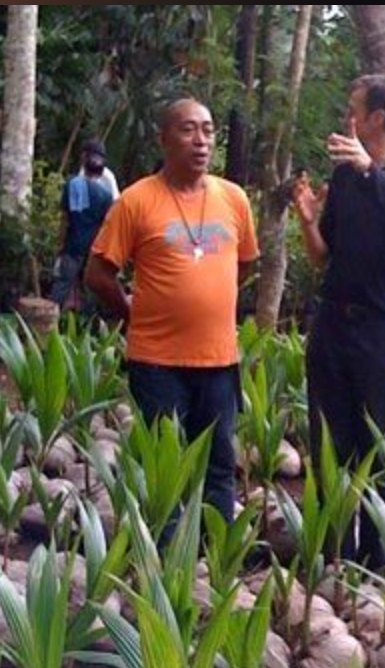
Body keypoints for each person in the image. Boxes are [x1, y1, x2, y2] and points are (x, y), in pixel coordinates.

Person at [293, 74, 385, 568]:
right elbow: (324, 257)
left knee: (377, 451)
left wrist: (370, 169)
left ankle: (374, 564)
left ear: (376, 118)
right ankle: (331, 559)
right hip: (334, 329)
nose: (346, 117)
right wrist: (309, 220)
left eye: (353, 108)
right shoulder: (343, 176)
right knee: (327, 450)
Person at [85, 99, 259, 523]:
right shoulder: (136, 201)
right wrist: (132, 313)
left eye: (208, 130)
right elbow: (98, 273)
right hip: (157, 361)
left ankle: (212, 562)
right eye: (188, 130)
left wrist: (206, 302)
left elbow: (246, 262)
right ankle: (163, 560)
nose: (201, 141)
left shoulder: (234, 198)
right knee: (162, 466)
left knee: (219, 464)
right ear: (163, 139)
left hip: (218, 360)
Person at [52, 139, 115, 311]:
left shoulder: (72, 184)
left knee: (60, 290)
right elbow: (106, 226)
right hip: (92, 251)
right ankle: (88, 331)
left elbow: (65, 219)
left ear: (84, 158)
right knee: (89, 294)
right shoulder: (106, 195)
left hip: (72, 247)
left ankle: (47, 327)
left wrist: (59, 245)